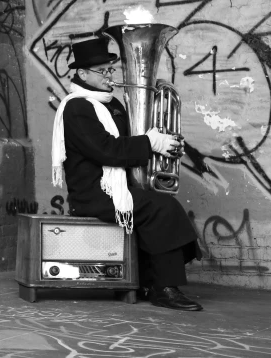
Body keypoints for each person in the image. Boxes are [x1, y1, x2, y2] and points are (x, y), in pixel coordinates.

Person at [52, 37, 203, 311]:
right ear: (83, 73)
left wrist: (164, 146)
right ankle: (164, 288)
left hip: (118, 188)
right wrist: (149, 143)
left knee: (160, 204)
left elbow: (128, 145)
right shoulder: (77, 107)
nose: (110, 75)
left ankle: (149, 280)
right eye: (103, 71)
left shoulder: (113, 105)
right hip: (94, 193)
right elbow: (106, 151)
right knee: (162, 209)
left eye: (111, 69)